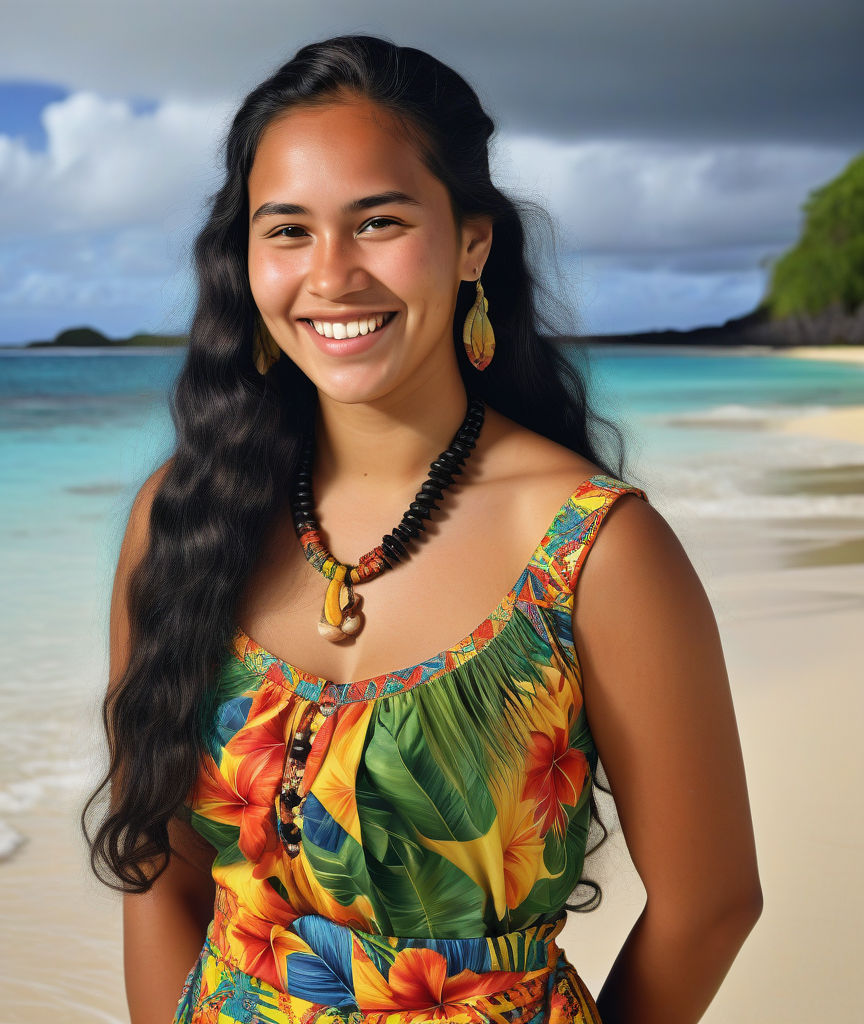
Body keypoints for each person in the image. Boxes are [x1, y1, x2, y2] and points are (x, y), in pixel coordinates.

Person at [82, 34, 762, 1024]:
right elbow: (161, 874)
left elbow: (711, 904)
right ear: (246, 257)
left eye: (378, 222)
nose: (332, 276)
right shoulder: (184, 515)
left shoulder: (592, 550)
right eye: (287, 231)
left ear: (472, 240)